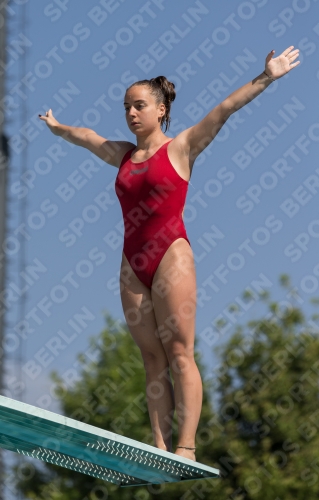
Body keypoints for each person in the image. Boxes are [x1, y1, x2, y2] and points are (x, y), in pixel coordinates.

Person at [39, 46, 300, 462]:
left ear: (161, 110)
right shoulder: (123, 155)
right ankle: (159, 447)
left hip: (171, 255)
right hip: (131, 261)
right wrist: (57, 127)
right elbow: (87, 137)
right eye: (126, 106)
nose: (130, 113)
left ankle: (187, 446)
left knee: (179, 352)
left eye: (139, 105)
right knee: (151, 358)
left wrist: (266, 76)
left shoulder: (180, 148)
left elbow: (223, 109)